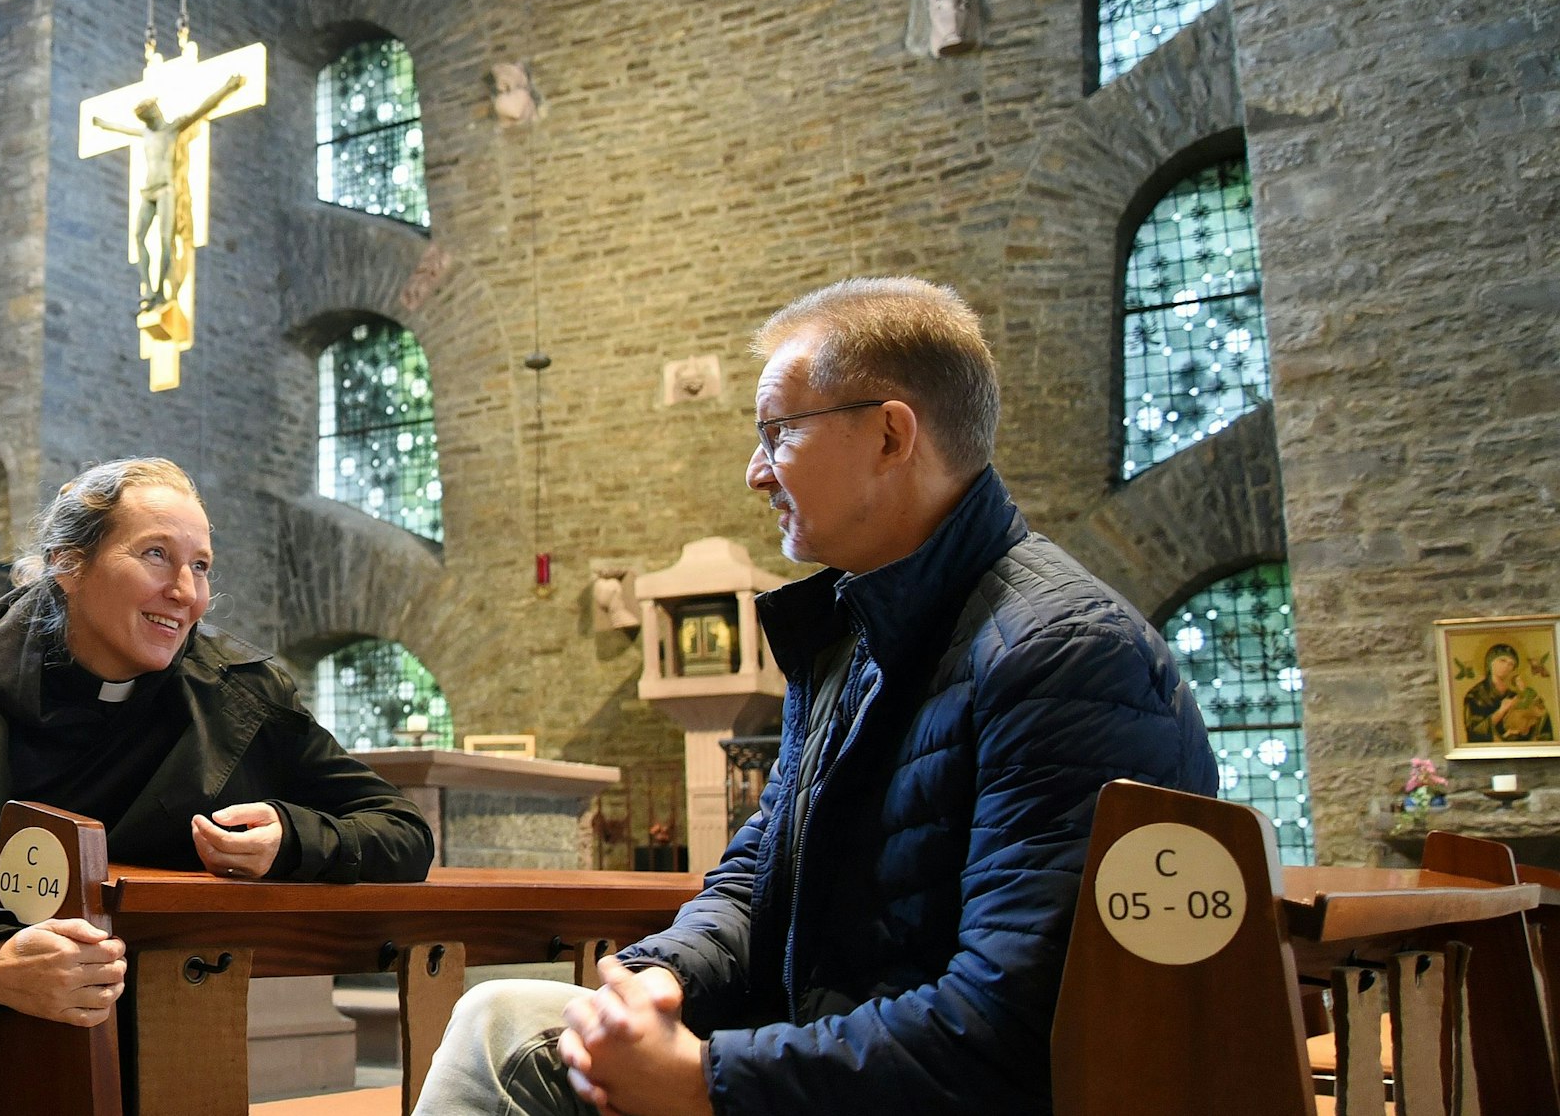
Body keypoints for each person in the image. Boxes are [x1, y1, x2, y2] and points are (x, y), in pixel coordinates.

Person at [413, 277, 1217, 1115]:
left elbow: (1014, 1029)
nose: (755, 471)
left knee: (513, 1047)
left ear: (890, 434)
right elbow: (760, 877)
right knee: (502, 1016)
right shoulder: (858, 633)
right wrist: (658, 980)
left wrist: (702, 1080)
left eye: (778, 432)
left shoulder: (1063, 651)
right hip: (830, 1056)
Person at [0, 457, 433, 1115]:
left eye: (201, 565)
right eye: (156, 554)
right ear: (69, 563)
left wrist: (290, 836)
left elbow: (402, 831)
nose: (187, 591)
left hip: (137, 1025)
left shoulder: (245, 698)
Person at [93, 74, 245, 311]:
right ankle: (149, 288)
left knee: (165, 240)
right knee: (139, 237)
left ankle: (159, 288)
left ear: (157, 113)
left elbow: (204, 107)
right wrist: (102, 124)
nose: (150, 121)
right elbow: (122, 129)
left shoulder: (172, 129)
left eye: (151, 115)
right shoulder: (146, 133)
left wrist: (227, 88)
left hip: (166, 190)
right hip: (148, 191)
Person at [1464, 642, 1554, 744]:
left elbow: (1541, 718)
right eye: (1502, 660)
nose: (1506, 666)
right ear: (1490, 662)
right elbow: (1474, 732)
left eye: (1511, 664)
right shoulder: (1476, 695)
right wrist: (1501, 711)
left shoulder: (1514, 694)